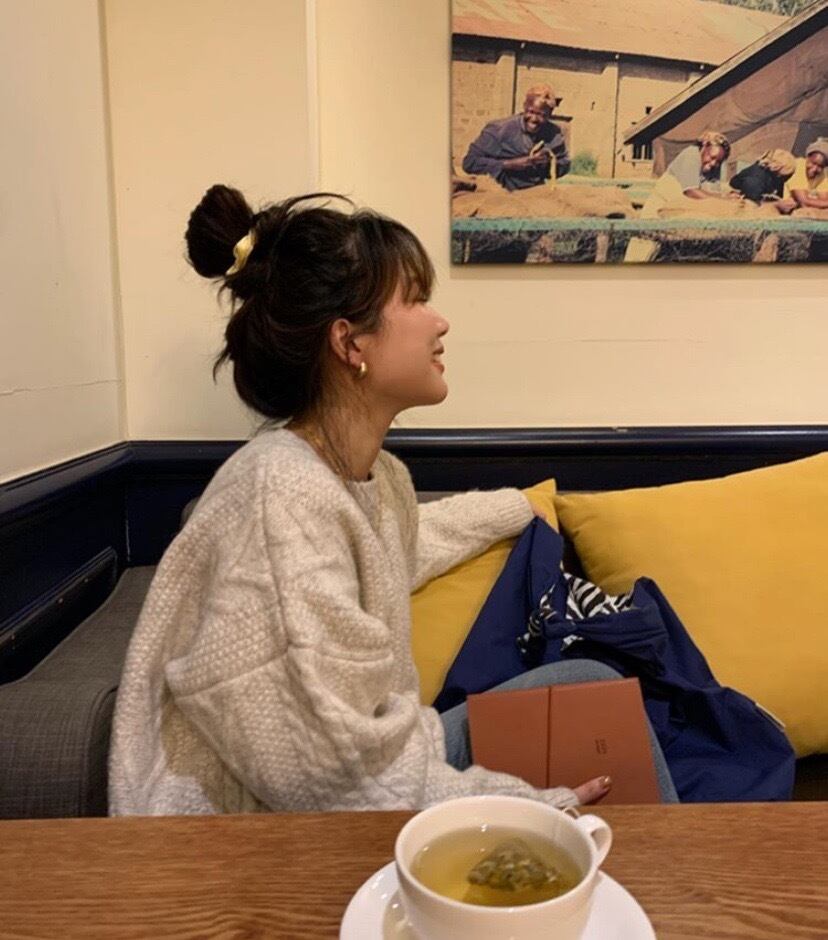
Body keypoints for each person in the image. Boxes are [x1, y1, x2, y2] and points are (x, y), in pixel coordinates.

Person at [109, 186, 677, 815]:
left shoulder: (376, 478)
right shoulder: (279, 495)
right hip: (253, 831)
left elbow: (399, 551)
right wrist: (530, 804)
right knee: (587, 743)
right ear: (351, 343)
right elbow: (328, 779)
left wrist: (519, 507)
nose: (440, 322)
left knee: (590, 683)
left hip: (373, 768)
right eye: (415, 299)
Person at [625, 131, 734, 262]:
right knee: (642, 251)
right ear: (704, 146)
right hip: (658, 211)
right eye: (712, 157)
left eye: (718, 162)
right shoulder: (691, 155)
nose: (713, 163)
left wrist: (725, 198)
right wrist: (724, 200)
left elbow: (712, 194)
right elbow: (691, 191)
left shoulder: (713, 168)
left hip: (676, 216)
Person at [462, 85, 570, 191]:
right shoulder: (499, 130)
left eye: (541, 115)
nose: (534, 119)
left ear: (550, 114)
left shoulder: (553, 134)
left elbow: (564, 164)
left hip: (535, 194)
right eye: (531, 112)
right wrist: (510, 164)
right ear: (524, 106)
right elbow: (470, 163)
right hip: (500, 193)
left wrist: (546, 164)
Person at [777, 139, 828, 214]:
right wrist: (817, 202)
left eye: (820, 166)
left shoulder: (823, 174)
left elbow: (824, 200)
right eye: (813, 163)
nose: (815, 169)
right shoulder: (798, 166)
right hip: (787, 212)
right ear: (807, 157)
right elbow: (804, 203)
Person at [729, 149, 796, 204]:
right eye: (786, 177)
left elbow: (777, 196)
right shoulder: (756, 179)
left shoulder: (775, 178)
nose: (787, 179)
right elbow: (750, 205)